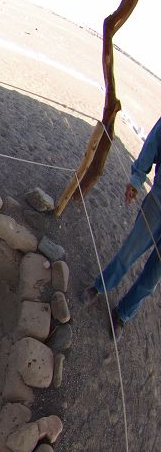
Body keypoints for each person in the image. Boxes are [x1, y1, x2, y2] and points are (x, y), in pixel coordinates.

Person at [81, 116, 161, 341]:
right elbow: (153, 144)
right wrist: (137, 180)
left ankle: (122, 314)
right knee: (129, 253)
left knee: (152, 279)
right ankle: (98, 287)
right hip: (157, 204)